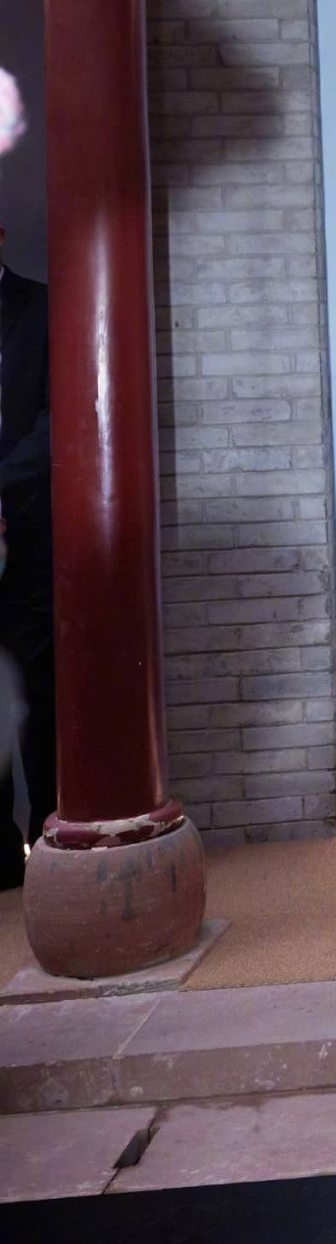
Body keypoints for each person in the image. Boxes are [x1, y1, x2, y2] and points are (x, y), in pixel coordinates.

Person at [0, 224, 53, 891]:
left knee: (38, 693)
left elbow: (55, 419)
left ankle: (49, 833)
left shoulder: (42, 307)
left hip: (28, 526)